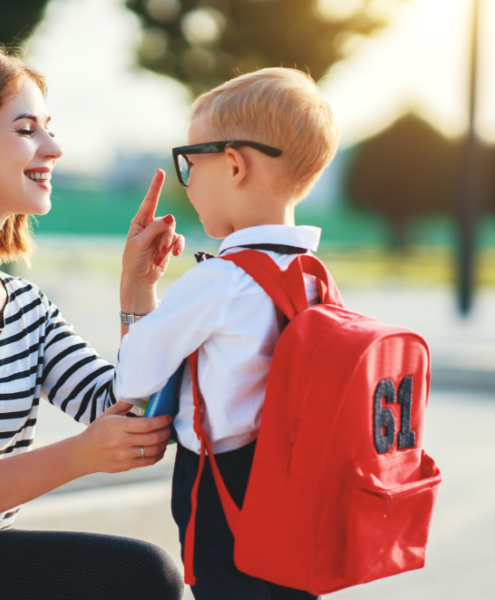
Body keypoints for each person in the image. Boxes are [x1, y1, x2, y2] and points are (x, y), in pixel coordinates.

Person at [116, 68, 339, 599]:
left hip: (224, 492)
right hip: (297, 488)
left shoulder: (219, 280)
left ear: (234, 165)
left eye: (190, 164)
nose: (186, 181)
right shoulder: (313, 275)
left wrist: (137, 292)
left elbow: (133, 380)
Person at [0, 47, 185, 599]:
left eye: (49, 129)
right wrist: (80, 454)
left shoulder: (27, 310)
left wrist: (138, 289)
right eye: (27, 129)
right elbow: (95, 443)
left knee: (144, 576)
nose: (53, 149)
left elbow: (130, 413)